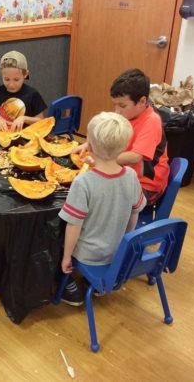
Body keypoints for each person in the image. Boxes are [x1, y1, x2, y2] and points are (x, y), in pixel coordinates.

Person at [59, 112, 146, 306]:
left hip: (89, 256)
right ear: (124, 147)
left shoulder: (83, 183)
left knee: (56, 237)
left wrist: (66, 257)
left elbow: (73, 226)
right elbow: (135, 212)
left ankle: (69, 284)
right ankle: (99, 284)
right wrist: (126, 239)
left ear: (88, 146)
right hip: (117, 251)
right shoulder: (131, 175)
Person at [73, 68, 170, 205]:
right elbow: (105, 135)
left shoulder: (152, 121)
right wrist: (88, 145)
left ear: (142, 101)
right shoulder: (127, 114)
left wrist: (101, 161)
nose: (117, 110)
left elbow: (135, 156)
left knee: (96, 200)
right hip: (123, 174)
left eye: (122, 105)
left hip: (145, 185)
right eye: (115, 105)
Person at [0, 50, 47, 132]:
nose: (11, 84)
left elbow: (41, 121)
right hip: (1, 136)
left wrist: (24, 118)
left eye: (16, 79)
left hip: (26, 138)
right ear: (1, 75)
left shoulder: (32, 94)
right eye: (6, 79)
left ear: (25, 74)